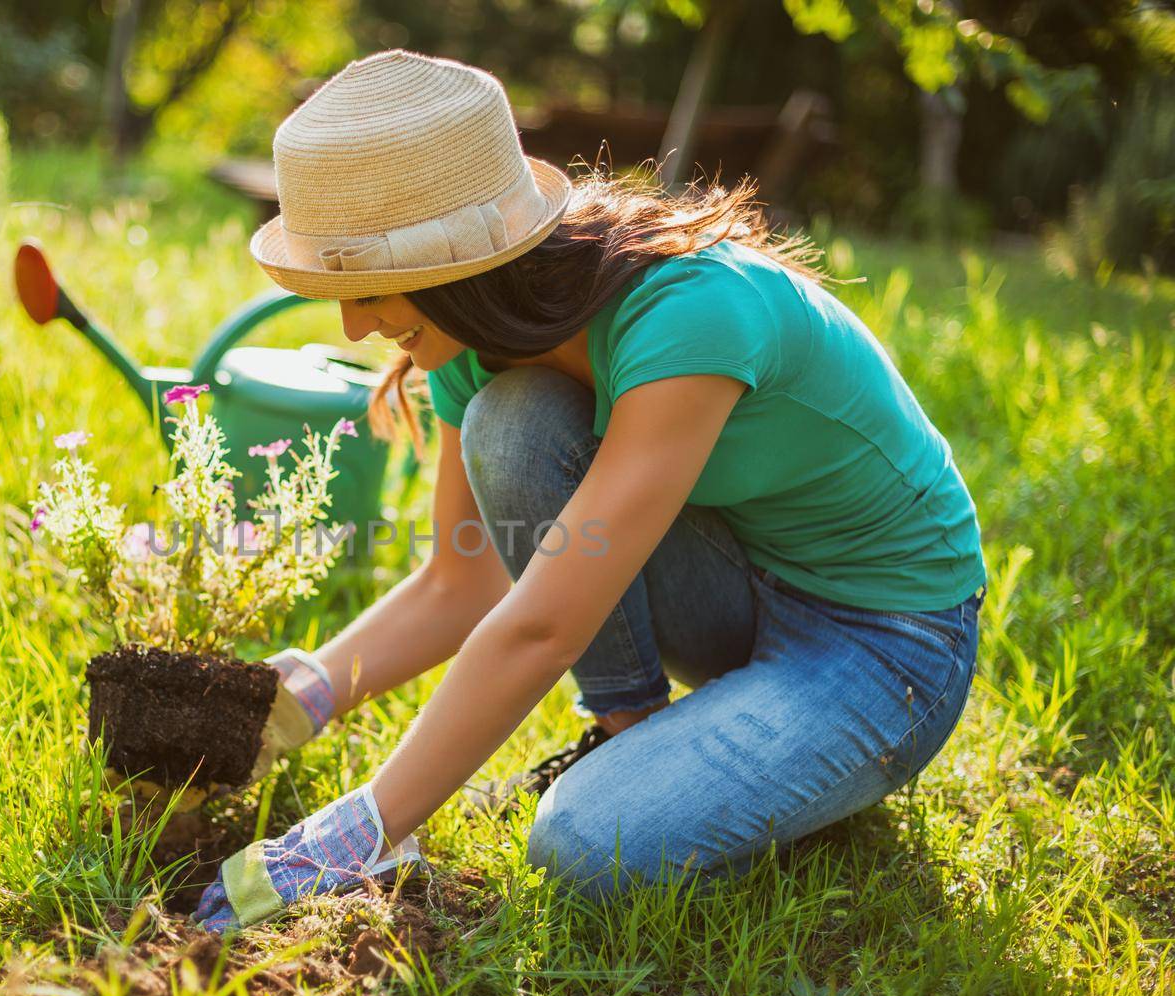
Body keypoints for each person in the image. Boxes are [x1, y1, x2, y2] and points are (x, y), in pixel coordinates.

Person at [194, 49, 986, 933]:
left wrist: (366, 827)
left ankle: (762, 771)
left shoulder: (688, 308)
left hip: (887, 642)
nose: (351, 324)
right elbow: (462, 582)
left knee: (583, 847)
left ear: (463, 263)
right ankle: (629, 728)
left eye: (368, 287)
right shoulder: (474, 345)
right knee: (515, 418)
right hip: (738, 583)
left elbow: (543, 623)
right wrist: (288, 699)